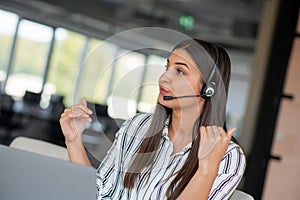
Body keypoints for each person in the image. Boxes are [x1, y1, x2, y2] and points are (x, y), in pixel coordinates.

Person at [60, 39, 246, 200]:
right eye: (167, 68)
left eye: (180, 71)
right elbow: (97, 194)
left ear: (209, 89)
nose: (164, 78)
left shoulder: (227, 156)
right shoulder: (137, 125)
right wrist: (73, 140)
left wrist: (207, 168)